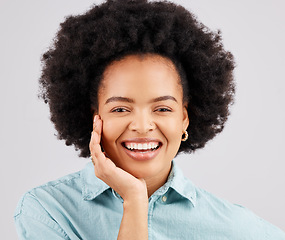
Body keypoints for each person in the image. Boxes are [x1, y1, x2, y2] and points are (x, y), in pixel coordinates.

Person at [14, 0, 285, 239]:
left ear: (185, 119)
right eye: (120, 109)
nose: (143, 127)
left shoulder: (235, 228)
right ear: (95, 118)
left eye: (163, 109)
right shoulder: (49, 211)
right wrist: (134, 201)